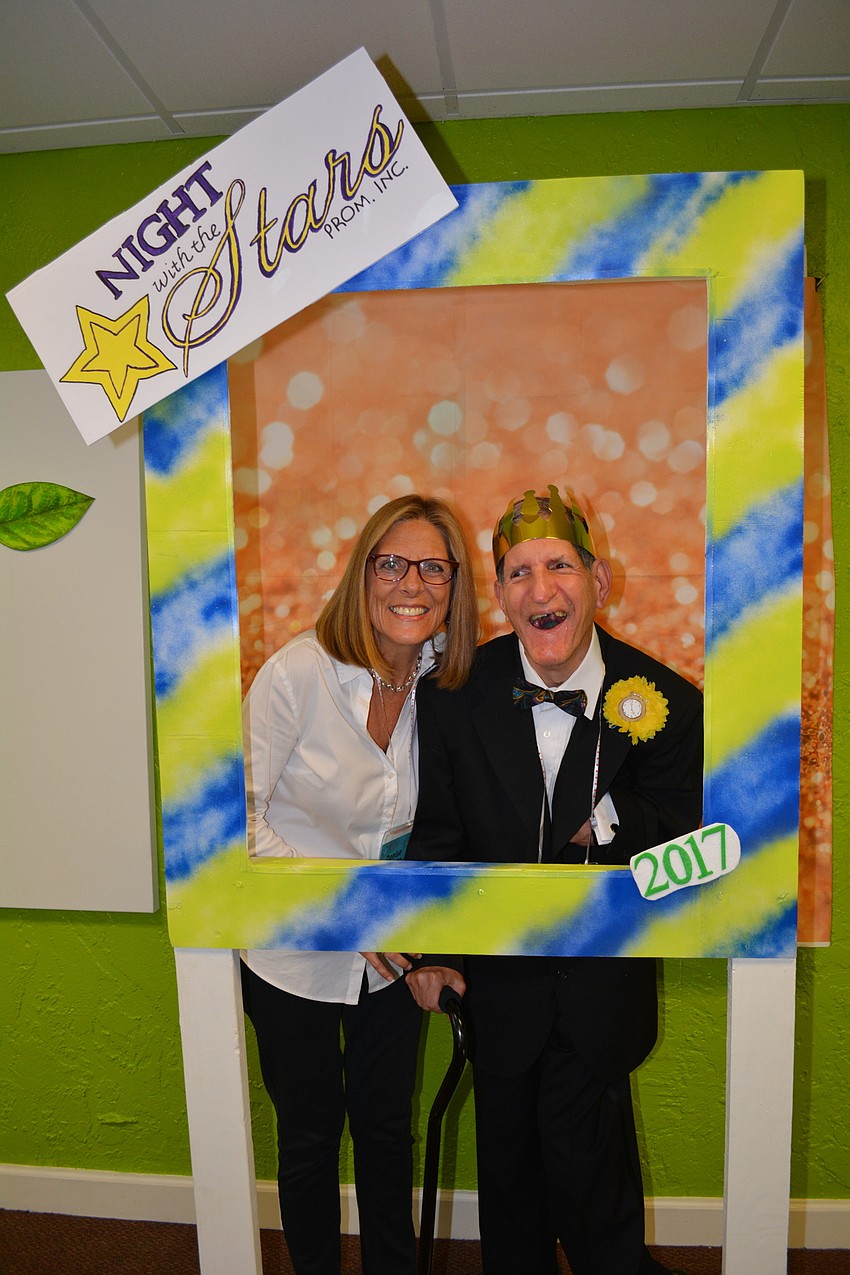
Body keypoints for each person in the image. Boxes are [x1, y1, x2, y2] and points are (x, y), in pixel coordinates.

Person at [405, 484, 703, 1275]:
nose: (542, 590)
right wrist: (435, 951)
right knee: (508, 1186)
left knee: (595, 1186)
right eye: (519, 572)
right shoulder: (452, 695)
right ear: (499, 593)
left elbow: (690, 839)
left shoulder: (668, 699)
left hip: (600, 988)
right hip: (497, 986)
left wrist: (609, 824)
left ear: (598, 581)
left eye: (560, 566)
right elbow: (438, 834)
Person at [240, 493, 478, 1275]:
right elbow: (240, 819)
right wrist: (347, 914)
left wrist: (430, 938)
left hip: (394, 953)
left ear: (452, 587)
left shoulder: (450, 689)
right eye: (392, 563)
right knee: (309, 1135)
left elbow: (446, 827)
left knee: (386, 1129)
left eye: (432, 567)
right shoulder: (296, 673)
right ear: (362, 574)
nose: (411, 582)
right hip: (294, 950)